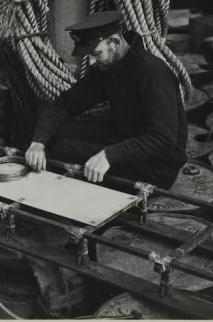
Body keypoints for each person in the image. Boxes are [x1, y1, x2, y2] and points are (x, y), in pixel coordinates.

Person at [24, 11, 187, 189]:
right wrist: (38, 142)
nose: (92, 62)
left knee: (64, 150)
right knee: (58, 133)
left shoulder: (152, 73)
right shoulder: (109, 67)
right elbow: (67, 103)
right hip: (125, 136)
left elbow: (163, 139)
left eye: (96, 53)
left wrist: (109, 155)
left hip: (155, 166)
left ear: (115, 43)